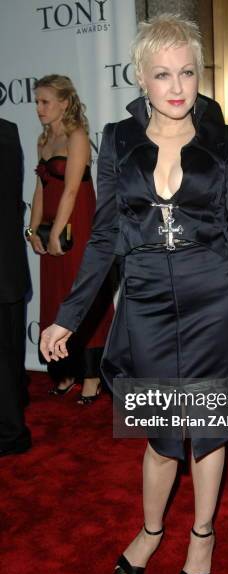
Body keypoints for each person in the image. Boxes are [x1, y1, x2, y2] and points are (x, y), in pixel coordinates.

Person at [40, 15, 228, 574]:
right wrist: (68, 315)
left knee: (208, 428)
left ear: (200, 75)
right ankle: (150, 530)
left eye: (188, 72)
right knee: (158, 431)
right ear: (141, 79)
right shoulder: (119, 143)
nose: (177, 86)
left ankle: (201, 533)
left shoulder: (224, 141)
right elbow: (104, 237)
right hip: (145, 301)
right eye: (163, 74)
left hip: (215, 300)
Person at [26, 75, 114, 403]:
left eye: (45, 101)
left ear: (64, 103)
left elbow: (72, 190)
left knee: (81, 293)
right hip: (51, 226)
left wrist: (57, 233)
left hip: (75, 223)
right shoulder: (43, 138)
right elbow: (40, 187)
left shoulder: (77, 137)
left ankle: (92, 375)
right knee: (54, 296)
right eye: (37, 102)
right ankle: (65, 370)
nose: (39, 108)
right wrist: (32, 230)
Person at [0, 118, 32, 457]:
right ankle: (17, 400)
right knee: (10, 345)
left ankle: (10, 432)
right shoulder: (9, 129)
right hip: (10, 264)